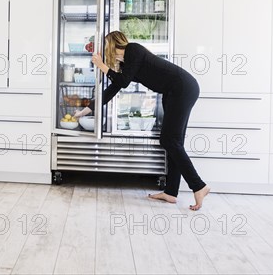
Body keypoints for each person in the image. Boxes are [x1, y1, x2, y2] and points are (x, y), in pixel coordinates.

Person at [74, 30, 210, 211]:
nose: (104, 51)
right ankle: (170, 192)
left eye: (104, 47)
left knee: (169, 140)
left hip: (183, 88)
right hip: (172, 93)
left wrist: (102, 66)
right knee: (173, 143)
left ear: (111, 44)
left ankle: (199, 186)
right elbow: (111, 90)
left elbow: (121, 82)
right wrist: (85, 110)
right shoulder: (127, 65)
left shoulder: (133, 50)